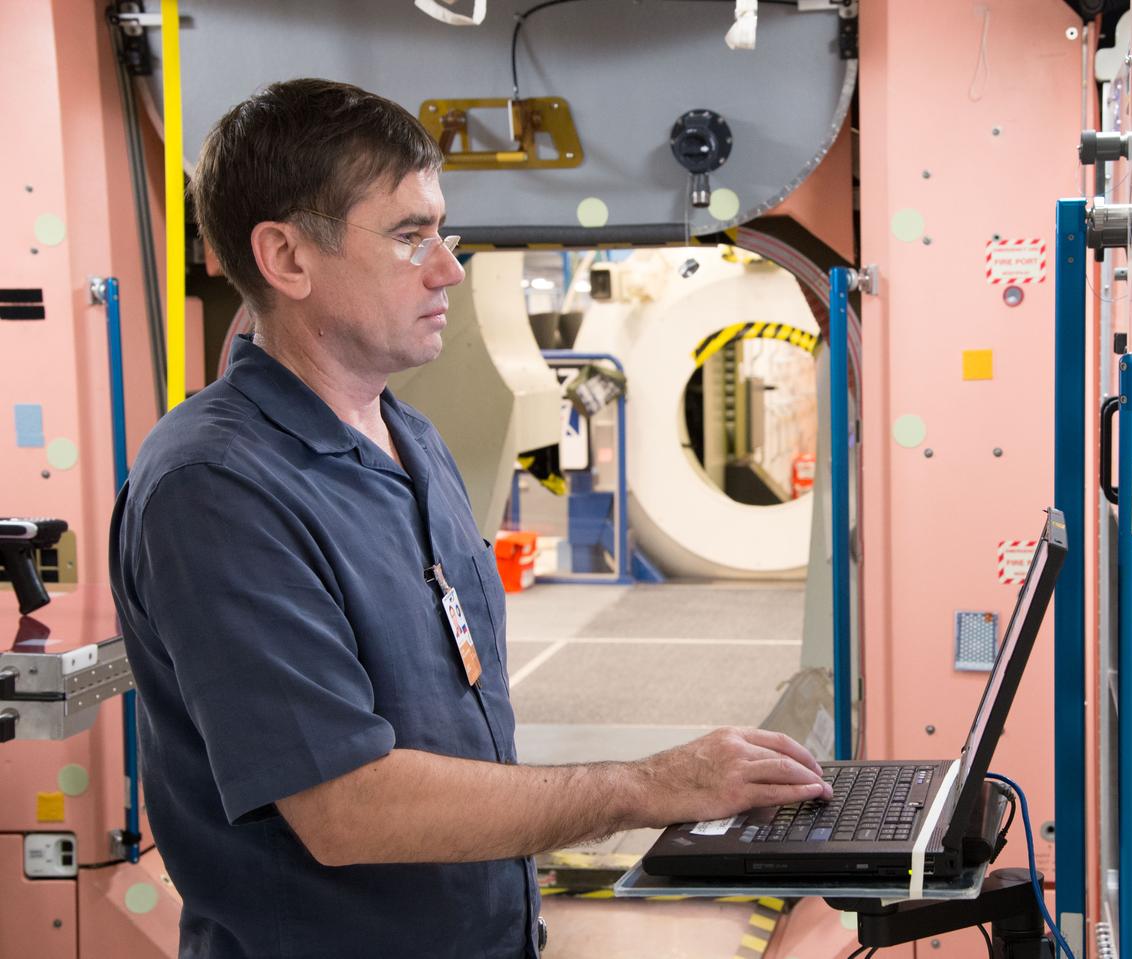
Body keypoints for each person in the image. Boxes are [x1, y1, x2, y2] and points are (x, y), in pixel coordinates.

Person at [109, 78, 831, 959]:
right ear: (287, 258)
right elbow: (345, 806)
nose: (448, 267)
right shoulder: (217, 488)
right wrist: (650, 785)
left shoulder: (411, 440)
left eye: (441, 233)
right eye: (409, 236)